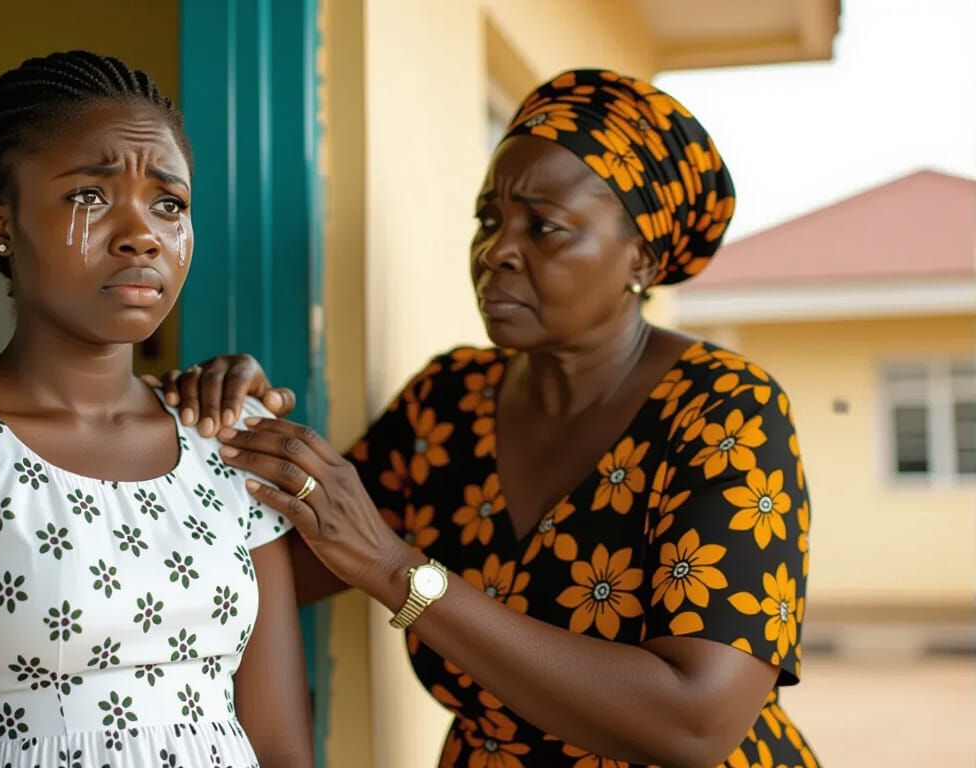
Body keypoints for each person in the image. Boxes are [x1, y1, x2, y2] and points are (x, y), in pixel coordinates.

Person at [159, 69, 818, 768]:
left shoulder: (724, 409)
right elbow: (266, 574)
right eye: (489, 220)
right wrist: (216, 430)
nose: (496, 251)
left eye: (545, 227)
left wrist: (396, 569)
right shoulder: (450, 402)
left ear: (644, 259)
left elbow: (695, 724)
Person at [0, 51, 312, 768]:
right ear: (1, 224)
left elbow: (280, 746)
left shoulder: (230, 437)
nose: (142, 232)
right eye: (90, 195)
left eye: (169, 204)